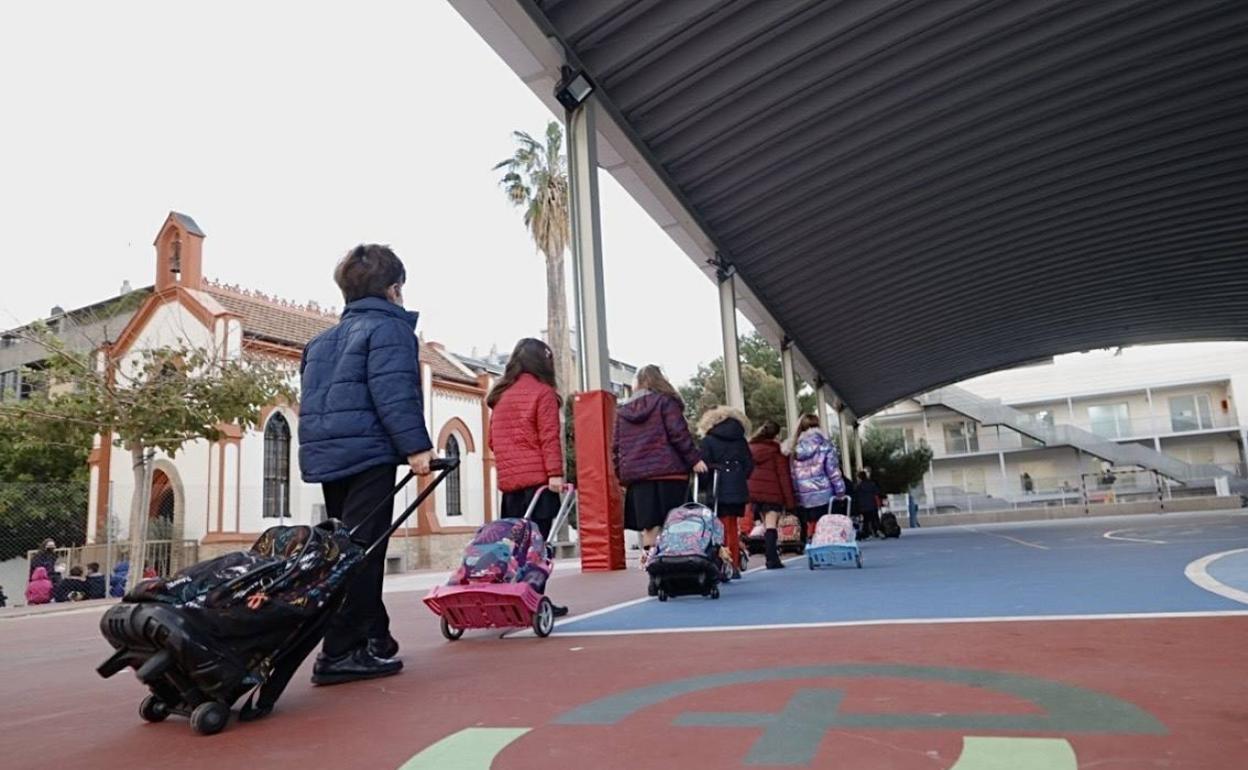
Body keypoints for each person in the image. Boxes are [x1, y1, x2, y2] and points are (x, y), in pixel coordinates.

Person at [299, 243, 435, 686]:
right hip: (370, 455)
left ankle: (375, 638)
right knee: (360, 556)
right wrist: (416, 448)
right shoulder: (391, 331)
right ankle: (340, 653)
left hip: (330, 458)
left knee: (352, 549)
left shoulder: (320, 343)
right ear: (395, 289)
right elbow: (393, 392)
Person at [487, 338, 568, 617]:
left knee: (516, 545)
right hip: (538, 483)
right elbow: (548, 436)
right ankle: (533, 599)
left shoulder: (501, 395)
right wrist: (555, 474)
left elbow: (491, 441)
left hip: (510, 486)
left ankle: (512, 594)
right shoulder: (543, 392)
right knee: (539, 545)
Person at [614, 365, 706, 569]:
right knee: (676, 522)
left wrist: (622, 475)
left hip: (638, 478)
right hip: (669, 472)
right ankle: (678, 566)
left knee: (649, 526)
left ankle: (652, 568)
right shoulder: (666, 402)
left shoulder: (623, 412)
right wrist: (694, 459)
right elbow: (678, 434)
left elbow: (617, 447)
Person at [697, 406, 753, 573]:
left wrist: (703, 485)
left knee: (718, 527)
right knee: (732, 527)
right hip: (737, 486)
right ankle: (734, 564)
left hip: (717, 486)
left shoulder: (708, 441)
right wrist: (739, 477)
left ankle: (721, 563)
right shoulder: (740, 440)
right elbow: (749, 464)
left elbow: (704, 467)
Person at [787, 414, 847, 542]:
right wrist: (840, 491)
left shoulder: (794, 449)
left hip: (804, 496)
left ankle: (812, 543)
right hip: (824, 494)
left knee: (811, 522)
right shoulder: (825, 445)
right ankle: (825, 545)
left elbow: (792, 475)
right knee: (826, 523)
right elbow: (833, 471)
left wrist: (796, 495)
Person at [747, 420, 796, 569]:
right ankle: (772, 558)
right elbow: (783, 476)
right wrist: (790, 502)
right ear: (777, 435)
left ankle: (769, 557)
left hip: (754, 492)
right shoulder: (777, 452)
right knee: (771, 526)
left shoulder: (750, 449)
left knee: (765, 524)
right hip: (772, 492)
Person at [854, 470, 884, 539]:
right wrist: (878, 504)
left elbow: (857, 497)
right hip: (872, 505)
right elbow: (876, 495)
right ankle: (877, 531)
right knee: (875, 519)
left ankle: (866, 533)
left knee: (866, 520)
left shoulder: (859, 486)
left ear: (859, 477)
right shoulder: (872, 484)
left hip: (863, 506)